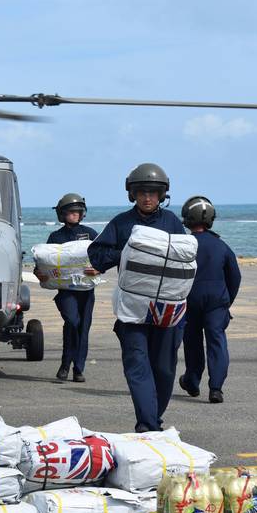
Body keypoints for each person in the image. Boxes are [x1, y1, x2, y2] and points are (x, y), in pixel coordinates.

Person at [87, 163, 186, 432]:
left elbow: (186, 260)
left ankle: (154, 418)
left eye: (153, 193)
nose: (147, 197)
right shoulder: (121, 223)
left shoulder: (173, 223)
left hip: (166, 311)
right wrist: (128, 252)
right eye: (141, 192)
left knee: (165, 370)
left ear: (162, 195)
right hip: (132, 310)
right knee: (137, 367)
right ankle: (147, 425)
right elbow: (97, 255)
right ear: (132, 194)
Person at [178, 195, 241, 404]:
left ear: (187, 218)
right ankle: (216, 388)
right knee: (216, 342)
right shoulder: (221, 246)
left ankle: (192, 381)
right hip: (217, 302)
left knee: (192, 342)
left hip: (189, 300)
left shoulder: (184, 244)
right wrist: (226, 301)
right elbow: (235, 276)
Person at [34, 193, 99, 382]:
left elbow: (101, 256)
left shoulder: (91, 234)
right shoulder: (55, 236)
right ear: (62, 214)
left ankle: (77, 369)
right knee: (72, 322)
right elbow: (44, 263)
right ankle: (65, 363)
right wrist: (40, 273)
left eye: (78, 211)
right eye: (71, 212)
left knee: (83, 328)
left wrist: (97, 269)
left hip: (86, 291)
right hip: (66, 292)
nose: (75, 215)